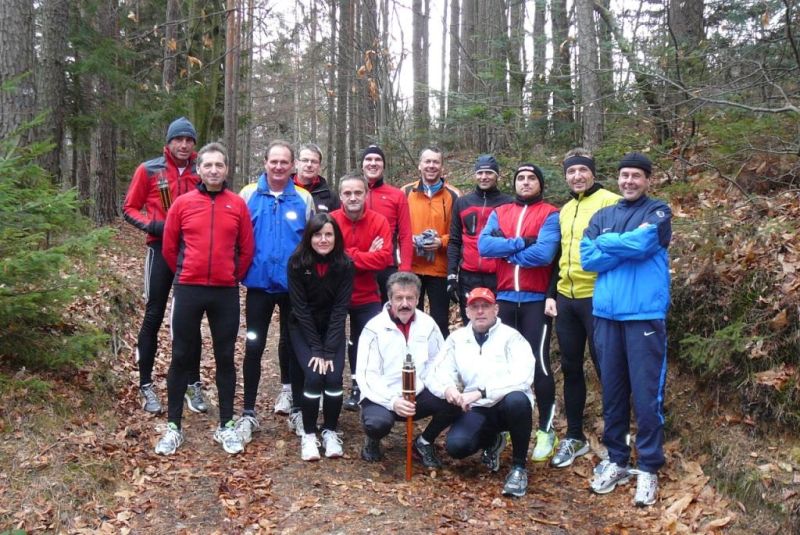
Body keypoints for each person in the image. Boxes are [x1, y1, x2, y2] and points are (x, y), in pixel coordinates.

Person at [580, 152, 671, 507]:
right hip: (606, 314)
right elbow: (588, 258)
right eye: (623, 175)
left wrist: (608, 243)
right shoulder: (602, 214)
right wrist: (624, 244)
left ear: (647, 179)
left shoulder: (659, 211)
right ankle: (617, 459)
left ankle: (648, 467)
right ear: (616, 179)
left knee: (647, 397)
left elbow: (645, 243)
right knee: (613, 393)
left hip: (643, 315)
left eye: (636, 175)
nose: (629, 181)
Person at [155, 142, 254, 455]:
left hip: (224, 292)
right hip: (189, 289)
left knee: (226, 357)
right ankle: (173, 427)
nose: (213, 170)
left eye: (219, 165)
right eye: (208, 165)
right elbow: (170, 248)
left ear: (226, 169)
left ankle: (226, 425)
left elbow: (247, 249)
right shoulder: (182, 204)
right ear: (199, 169)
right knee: (181, 355)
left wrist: (230, 275)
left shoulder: (237, 204)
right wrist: (187, 273)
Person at [122, 116, 207, 415]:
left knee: (190, 319)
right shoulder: (149, 169)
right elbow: (128, 208)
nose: (183, 145)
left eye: (188, 140)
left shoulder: (203, 170)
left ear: (194, 144)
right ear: (169, 142)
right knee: (154, 314)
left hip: (192, 252)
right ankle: (146, 384)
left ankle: (192, 383)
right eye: (178, 139)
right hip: (159, 249)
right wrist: (154, 226)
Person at [478, 163, 561, 462]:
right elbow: (485, 246)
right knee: (499, 364)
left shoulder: (550, 214)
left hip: (536, 299)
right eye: (520, 178)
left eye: (531, 178)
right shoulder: (500, 212)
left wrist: (508, 251)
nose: (525, 183)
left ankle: (545, 430)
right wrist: (522, 243)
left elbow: (544, 254)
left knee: (538, 364)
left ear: (540, 183)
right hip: (504, 297)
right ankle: (500, 429)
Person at [545, 149, 621, 469]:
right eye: (571, 171)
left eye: (582, 170)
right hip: (566, 298)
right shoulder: (564, 210)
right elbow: (557, 255)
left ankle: (617, 440)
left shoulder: (611, 201)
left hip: (598, 297)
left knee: (607, 369)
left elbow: (619, 249)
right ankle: (574, 436)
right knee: (572, 368)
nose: (577, 176)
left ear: (592, 172)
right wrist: (551, 293)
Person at [236, 141, 316, 444]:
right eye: (274, 161)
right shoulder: (248, 195)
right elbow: (238, 238)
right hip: (258, 286)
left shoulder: (303, 198)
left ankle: (297, 409)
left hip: (294, 289)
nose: (279, 167)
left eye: (285, 162)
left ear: (293, 166)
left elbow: (314, 241)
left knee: (295, 347)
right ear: (265, 163)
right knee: (253, 346)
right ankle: (248, 413)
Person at [426, 288, 535, 497]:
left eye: (485, 306)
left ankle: (519, 467)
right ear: (467, 312)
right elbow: (438, 370)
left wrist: (482, 392)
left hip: (506, 404)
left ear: (496, 309)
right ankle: (492, 441)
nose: (480, 312)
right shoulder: (457, 339)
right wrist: (448, 388)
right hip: (478, 409)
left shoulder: (512, 338)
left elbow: (524, 376)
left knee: (518, 401)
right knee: (457, 447)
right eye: (474, 307)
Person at [355, 272, 460, 468]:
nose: (405, 303)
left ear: (418, 299)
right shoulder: (374, 328)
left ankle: (424, 442)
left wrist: (445, 388)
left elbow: (437, 364)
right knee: (377, 424)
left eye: (410, 298)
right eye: (399, 298)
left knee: (453, 402)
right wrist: (392, 401)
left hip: (417, 392)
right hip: (384, 395)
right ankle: (373, 439)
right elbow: (367, 375)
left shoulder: (428, 325)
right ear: (390, 299)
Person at [286, 213, 354, 461]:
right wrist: (316, 350)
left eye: (328, 234)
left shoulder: (345, 264)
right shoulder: (296, 263)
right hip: (303, 328)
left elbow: (340, 309)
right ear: (309, 236)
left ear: (336, 237)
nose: (323, 239)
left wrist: (328, 350)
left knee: (334, 376)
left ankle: (331, 431)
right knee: (314, 376)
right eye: (318, 234)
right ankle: (309, 434)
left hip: (332, 329)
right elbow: (300, 308)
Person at [330, 173, 394, 411]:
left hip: (368, 294)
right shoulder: (331, 221)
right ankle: (331, 388)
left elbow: (383, 259)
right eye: (348, 193)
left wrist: (348, 254)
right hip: (335, 294)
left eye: (358, 192)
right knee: (333, 341)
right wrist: (365, 253)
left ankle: (362, 387)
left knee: (366, 343)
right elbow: (328, 259)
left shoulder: (379, 221)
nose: (353, 197)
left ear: (366, 194)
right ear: (341, 196)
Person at [401, 146, 461, 338]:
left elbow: (459, 233)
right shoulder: (405, 192)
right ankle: (409, 364)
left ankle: (440, 364)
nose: (431, 166)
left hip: (440, 268)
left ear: (442, 167)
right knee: (409, 319)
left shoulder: (453, 195)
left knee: (439, 322)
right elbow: (395, 227)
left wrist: (441, 242)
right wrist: (406, 239)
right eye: (427, 161)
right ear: (420, 165)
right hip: (412, 268)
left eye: (436, 162)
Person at [447, 155, 512, 325]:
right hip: (469, 275)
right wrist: (452, 275)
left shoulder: (509, 203)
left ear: (497, 175)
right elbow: (454, 241)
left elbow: (514, 241)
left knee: (499, 324)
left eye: (489, 173)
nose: (484, 177)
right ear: (475, 175)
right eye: (480, 172)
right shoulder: (462, 202)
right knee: (472, 323)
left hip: (498, 275)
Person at [361, 144, 413, 304]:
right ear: (362, 165)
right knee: (362, 316)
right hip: (359, 265)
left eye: (378, 159)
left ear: (383, 165)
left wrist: (405, 269)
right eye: (368, 159)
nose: (373, 163)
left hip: (388, 266)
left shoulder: (397, 195)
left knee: (390, 316)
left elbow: (405, 235)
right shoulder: (353, 194)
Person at [293, 143, 340, 212]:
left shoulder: (330, 197)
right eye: (305, 160)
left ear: (320, 166)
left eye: (314, 162)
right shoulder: (284, 190)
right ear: (296, 164)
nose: (309, 165)